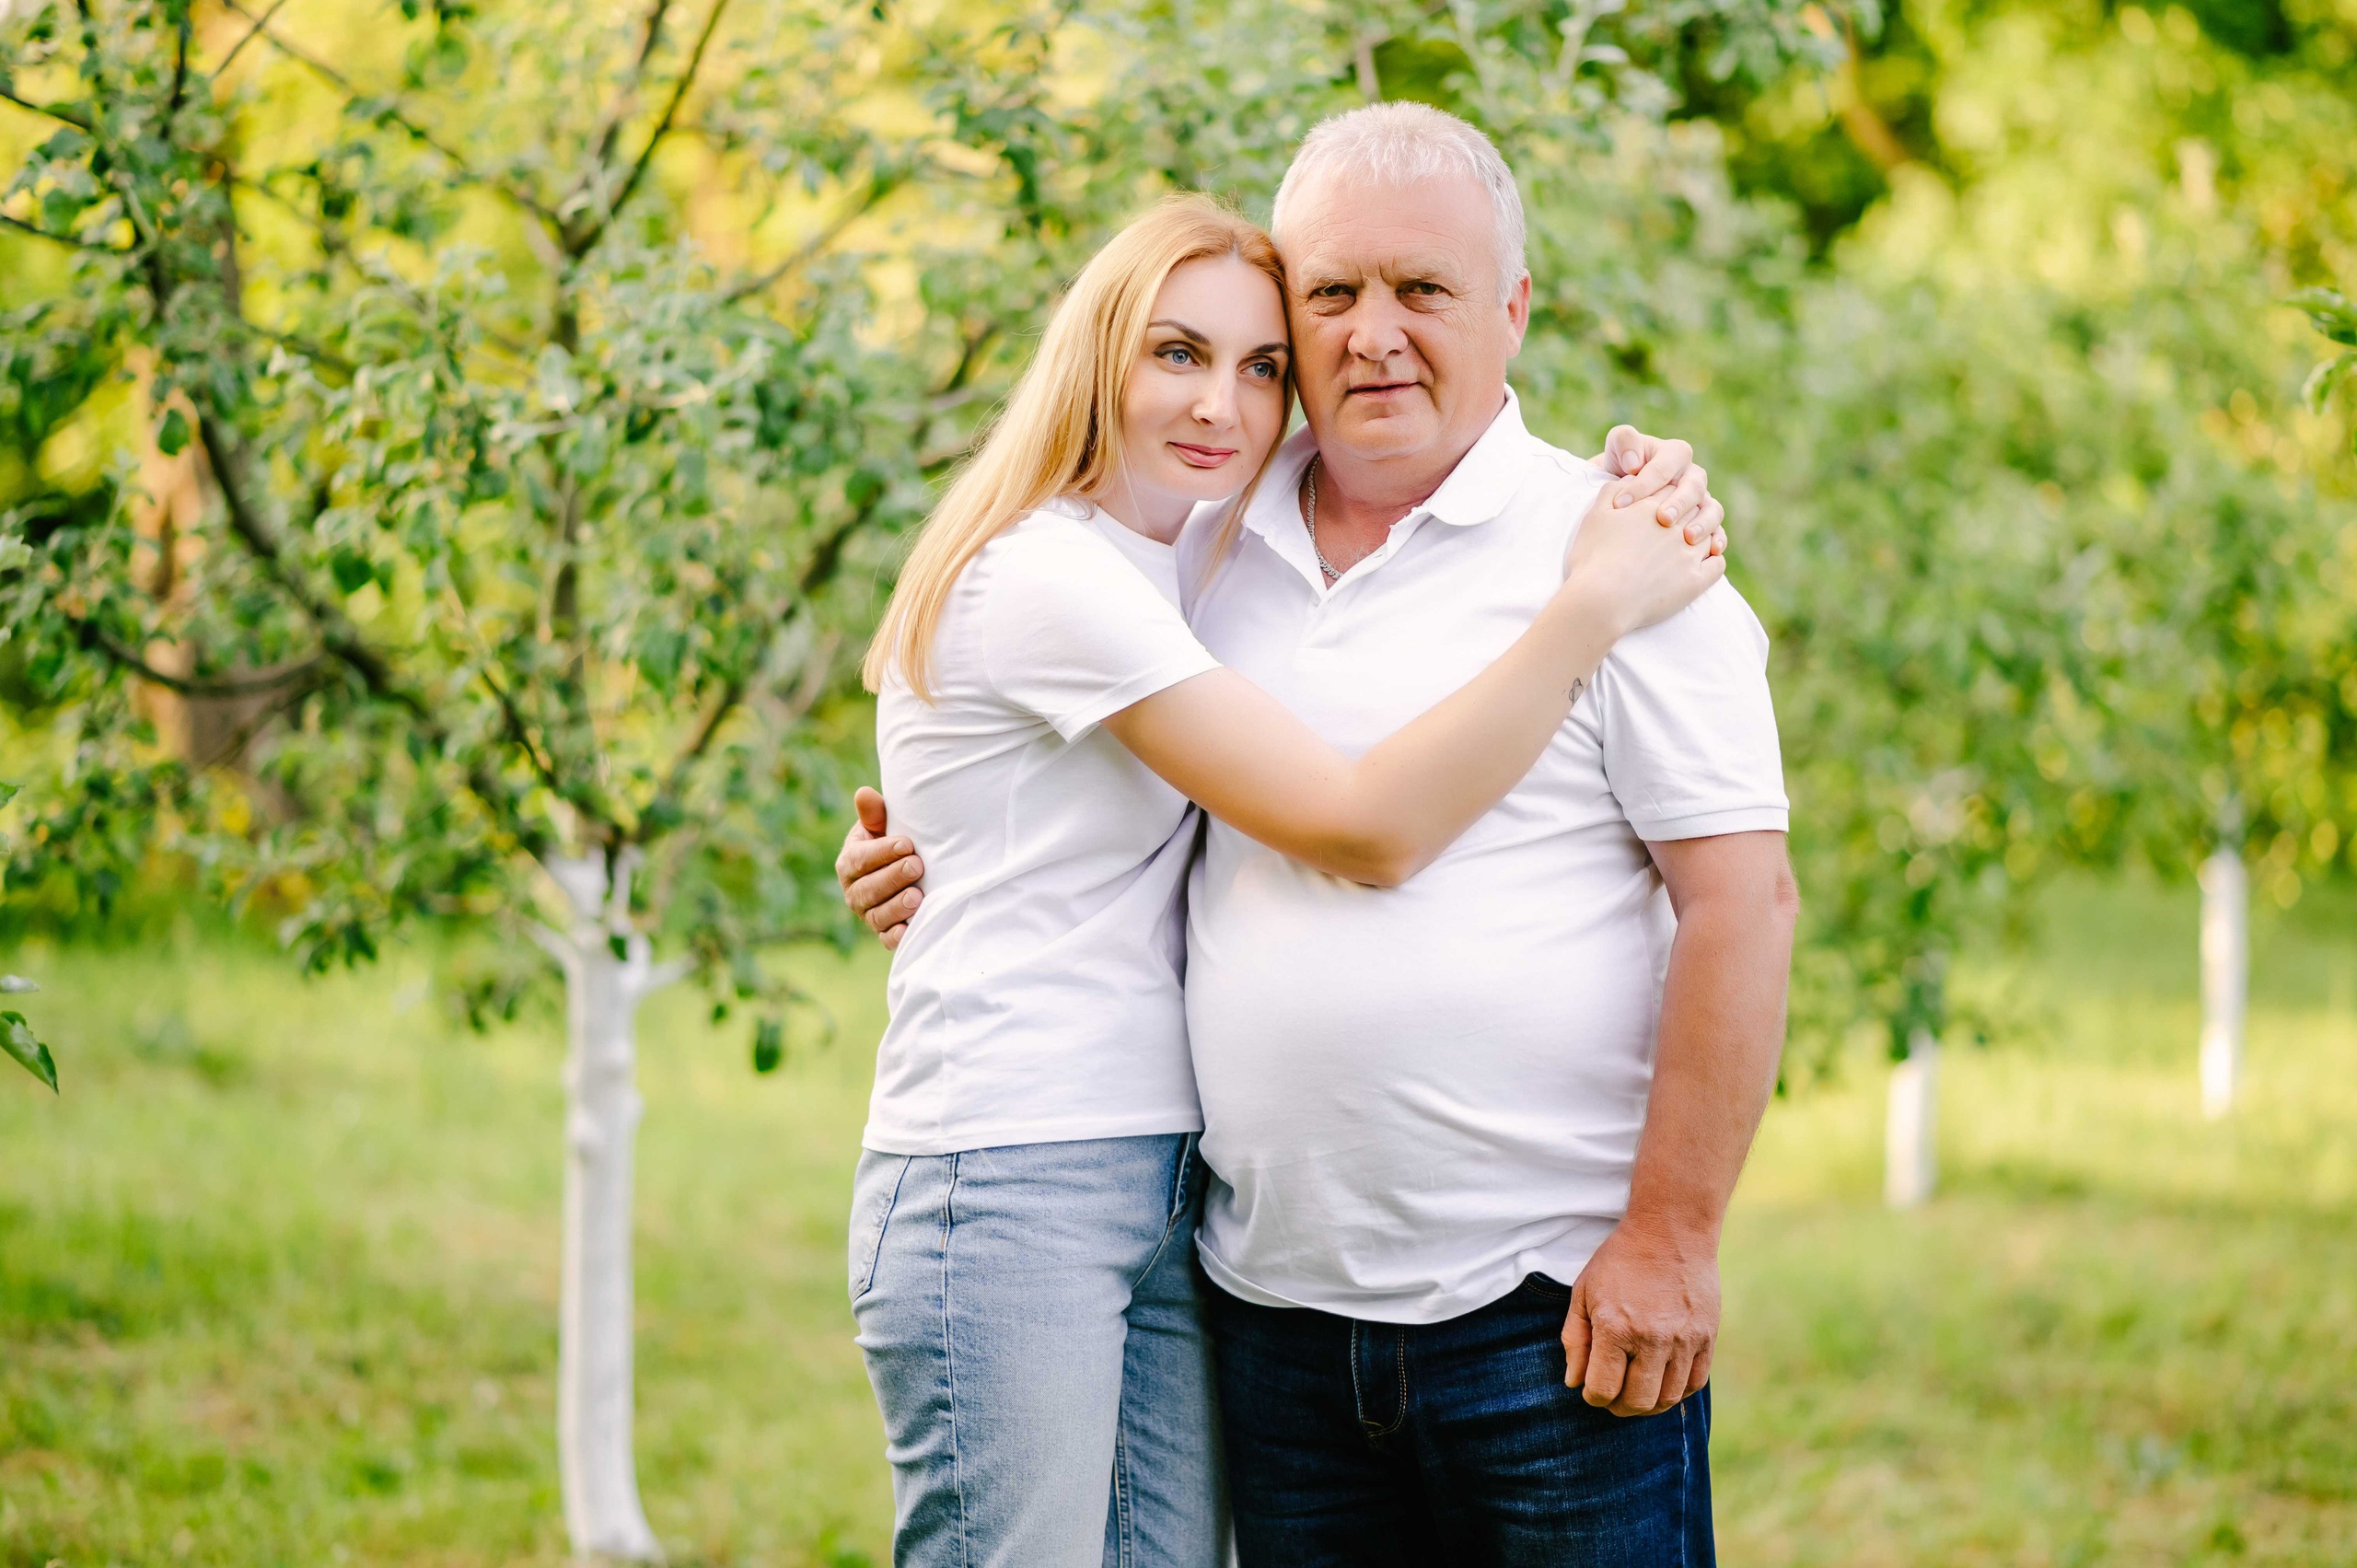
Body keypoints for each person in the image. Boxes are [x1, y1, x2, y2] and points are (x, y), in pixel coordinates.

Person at [843, 106, 1799, 1566]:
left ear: (1513, 311)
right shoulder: (1203, 546)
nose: (1374, 335)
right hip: (1270, 1319)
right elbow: (1063, 774)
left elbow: (1748, 904)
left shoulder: (1626, 557)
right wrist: (931, 854)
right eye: (1332, 296)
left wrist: (1672, 1238)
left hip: (1545, 1322)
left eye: (1423, 290)